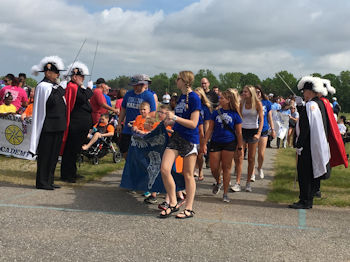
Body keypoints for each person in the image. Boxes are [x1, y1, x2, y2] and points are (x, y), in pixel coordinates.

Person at [159, 71, 200, 219]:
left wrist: (174, 117)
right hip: (176, 137)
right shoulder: (182, 97)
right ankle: (173, 202)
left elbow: (193, 123)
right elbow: (180, 120)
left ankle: (189, 208)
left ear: (184, 81)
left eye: (178, 78)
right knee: (164, 169)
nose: (176, 80)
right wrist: (170, 122)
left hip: (189, 139)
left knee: (188, 175)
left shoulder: (194, 98)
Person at [289, 76, 331, 209]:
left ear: (310, 92)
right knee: (312, 174)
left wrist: (299, 144)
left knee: (304, 174)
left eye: (305, 91)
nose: (303, 93)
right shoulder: (320, 104)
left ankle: (305, 200)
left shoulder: (311, 105)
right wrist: (300, 105)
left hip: (307, 146)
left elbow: (306, 127)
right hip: (315, 145)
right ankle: (308, 198)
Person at [29, 56, 66, 190]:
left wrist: (59, 88)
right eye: (56, 73)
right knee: (45, 156)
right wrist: (60, 89)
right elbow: (51, 103)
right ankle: (42, 181)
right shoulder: (43, 86)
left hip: (58, 126)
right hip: (48, 126)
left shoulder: (54, 86)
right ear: (47, 72)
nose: (57, 75)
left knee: (54, 156)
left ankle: (49, 180)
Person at [203, 90, 243, 202]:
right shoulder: (215, 113)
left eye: (222, 98)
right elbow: (210, 128)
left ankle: (225, 193)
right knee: (214, 168)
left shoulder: (235, 114)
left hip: (229, 143)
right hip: (216, 141)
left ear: (229, 100)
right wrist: (205, 142)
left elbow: (239, 133)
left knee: (226, 168)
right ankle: (218, 181)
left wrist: (240, 147)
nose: (220, 100)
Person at [60, 62, 93, 183]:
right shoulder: (72, 87)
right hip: (75, 125)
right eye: (82, 76)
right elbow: (82, 98)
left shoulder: (78, 87)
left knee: (75, 151)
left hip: (81, 125)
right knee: (70, 151)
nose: (83, 79)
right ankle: (67, 174)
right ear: (75, 76)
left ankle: (72, 172)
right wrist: (89, 89)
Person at [116, 74, 156, 159]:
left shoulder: (149, 96)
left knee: (139, 153)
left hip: (140, 129)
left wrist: (141, 121)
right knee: (124, 150)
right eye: (133, 85)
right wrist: (120, 123)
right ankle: (130, 167)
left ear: (142, 84)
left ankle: (136, 170)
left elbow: (152, 113)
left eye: (136, 85)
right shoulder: (128, 94)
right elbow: (123, 109)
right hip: (128, 128)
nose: (134, 87)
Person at [249, 85, 276, 183]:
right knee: (251, 154)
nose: (257, 94)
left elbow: (269, 117)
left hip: (264, 129)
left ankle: (259, 167)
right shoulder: (249, 102)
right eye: (255, 92)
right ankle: (251, 173)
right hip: (252, 129)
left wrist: (273, 129)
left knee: (261, 153)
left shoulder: (266, 103)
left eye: (258, 92)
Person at [240, 85, 264, 192]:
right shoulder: (242, 103)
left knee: (251, 158)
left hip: (253, 131)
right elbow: (239, 117)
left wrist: (259, 133)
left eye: (245, 92)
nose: (244, 93)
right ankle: (237, 181)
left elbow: (262, 120)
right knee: (239, 156)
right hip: (243, 130)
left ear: (251, 93)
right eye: (243, 92)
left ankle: (248, 182)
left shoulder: (257, 103)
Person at [194, 87, 212, 181]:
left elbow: (207, 122)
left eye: (198, 95)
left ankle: (200, 169)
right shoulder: (191, 106)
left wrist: (206, 136)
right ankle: (194, 169)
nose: (196, 97)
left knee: (200, 154)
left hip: (201, 132)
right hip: (192, 132)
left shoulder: (205, 108)